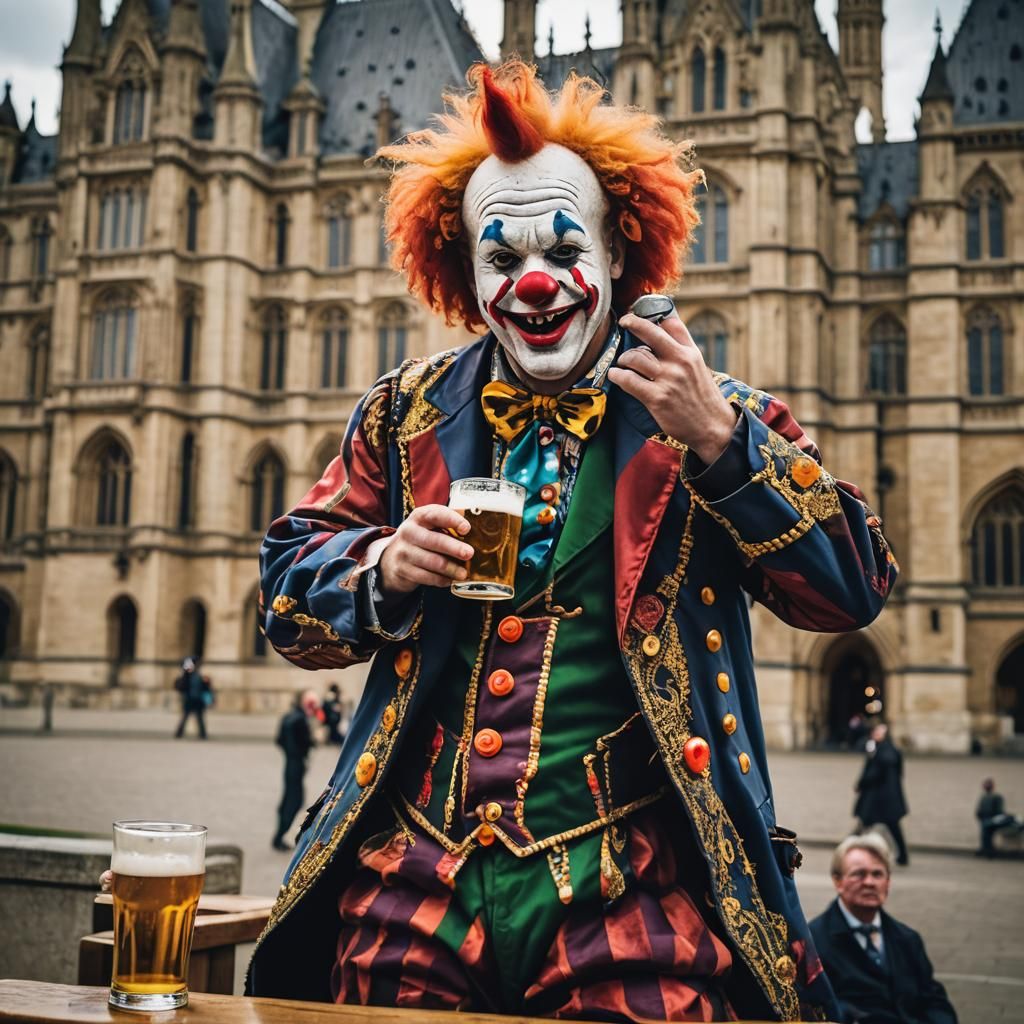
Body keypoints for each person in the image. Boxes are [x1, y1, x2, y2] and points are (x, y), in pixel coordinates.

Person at [247, 62, 898, 1020]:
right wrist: (378, 567)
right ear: (464, 272)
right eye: (501, 259)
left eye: (562, 247)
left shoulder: (716, 416)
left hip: (628, 888)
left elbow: (853, 589)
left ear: (621, 250)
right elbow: (286, 598)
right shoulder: (404, 415)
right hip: (416, 879)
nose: (536, 282)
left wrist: (723, 445)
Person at [809, 834, 957, 1024]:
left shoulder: (908, 939)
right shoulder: (814, 943)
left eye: (877, 874)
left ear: (888, 882)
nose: (870, 882)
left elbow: (935, 1002)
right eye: (859, 874)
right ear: (838, 881)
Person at [854, 723, 909, 866]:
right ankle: (853, 849)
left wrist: (861, 783)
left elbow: (874, 772)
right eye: (875, 732)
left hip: (881, 796)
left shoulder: (885, 752)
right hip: (882, 795)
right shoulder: (881, 748)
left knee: (885, 824)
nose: (875, 734)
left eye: (879, 732)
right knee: (866, 822)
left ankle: (851, 850)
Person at [272, 690, 318, 852]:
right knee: (294, 800)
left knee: (289, 799)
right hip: (296, 763)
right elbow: (309, 742)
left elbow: (278, 740)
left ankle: (279, 836)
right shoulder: (299, 720)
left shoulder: (288, 717)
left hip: (290, 763)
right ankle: (279, 836)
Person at [975, 777, 1018, 857]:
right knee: (985, 835)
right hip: (984, 819)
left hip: (992, 820)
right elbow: (979, 809)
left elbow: (999, 810)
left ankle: (989, 851)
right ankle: (986, 849)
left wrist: (995, 818)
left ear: (992, 786)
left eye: (988, 785)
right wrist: (979, 815)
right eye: (985, 785)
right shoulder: (983, 797)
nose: (986, 786)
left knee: (987, 833)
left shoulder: (996, 797)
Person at [173, 657, 211, 740]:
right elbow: (181, 686)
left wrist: (206, 682)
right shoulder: (187, 675)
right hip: (190, 699)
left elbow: (205, 687)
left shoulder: (198, 675)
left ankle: (202, 734)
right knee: (186, 717)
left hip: (197, 700)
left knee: (198, 718)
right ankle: (180, 733)